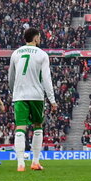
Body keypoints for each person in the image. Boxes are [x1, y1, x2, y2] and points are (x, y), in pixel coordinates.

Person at [9, 28, 57, 172]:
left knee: (20, 127)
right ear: (35, 38)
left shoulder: (15, 53)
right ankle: (35, 162)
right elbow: (47, 79)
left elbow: (11, 77)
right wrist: (52, 100)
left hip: (19, 96)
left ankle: (20, 164)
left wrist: (14, 92)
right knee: (38, 126)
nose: (40, 39)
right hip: (36, 96)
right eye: (40, 37)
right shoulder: (42, 54)